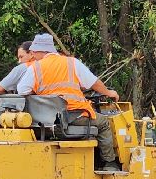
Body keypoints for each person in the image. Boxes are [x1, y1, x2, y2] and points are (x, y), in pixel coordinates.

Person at [15, 33, 121, 170]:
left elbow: (21, 90)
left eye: (34, 52)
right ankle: (109, 164)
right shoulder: (72, 63)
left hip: (45, 122)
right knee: (104, 123)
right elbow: (93, 82)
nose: (33, 55)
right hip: (73, 116)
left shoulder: (35, 69)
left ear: (41, 50)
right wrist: (109, 93)